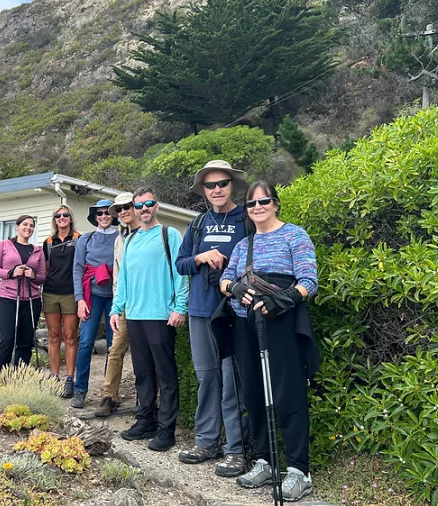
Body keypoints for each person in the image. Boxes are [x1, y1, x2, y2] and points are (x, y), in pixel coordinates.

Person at [220, 181, 319, 502]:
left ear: (276, 203)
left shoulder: (295, 235)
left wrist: (286, 298)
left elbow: (309, 280)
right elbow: (225, 279)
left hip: (281, 322)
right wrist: (232, 289)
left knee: (287, 391)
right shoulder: (243, 245)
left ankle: (298, 470)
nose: (257, 207)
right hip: (245, 324)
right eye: (251, 204)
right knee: (253, 391)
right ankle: (265, 460)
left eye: (263, 201)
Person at [175, 160, 249, 477]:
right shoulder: (198, 223)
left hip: (235, 313)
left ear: (232, 185)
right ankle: (207, 442)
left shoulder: (247, 219)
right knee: (207, 378)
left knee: (233, 382)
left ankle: (237, 449)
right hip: (200, 310)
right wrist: (201, 257)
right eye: (210, 185)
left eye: (222, 184)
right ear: (203, 191)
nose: (216, 190)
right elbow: (181, 264)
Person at [110, 187, 188, 452]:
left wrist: (180, 307)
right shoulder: (129, 240)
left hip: (161, 316)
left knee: (165, 374)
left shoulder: (170, 235)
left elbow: (181, 275)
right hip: (134, 315)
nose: (143, 209)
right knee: (142, 373)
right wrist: (116, 309)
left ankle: (167, 430)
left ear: (157, 205)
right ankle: (145, 420)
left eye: (148, 203)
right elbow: (124, 280)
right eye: (139, 205)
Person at [95, 192, 139, 417]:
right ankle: (109, 395)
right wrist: (116, 305)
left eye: (126, 207)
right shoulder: (120, 238)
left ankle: (148, 397)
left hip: (147, 304)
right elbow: (118, 274)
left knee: (146, 353)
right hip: (124, 304)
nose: (123, 212)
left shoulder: (152, 233)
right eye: (118, 210)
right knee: (115, 350)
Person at [71, 199, 119, 408]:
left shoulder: (122, 238)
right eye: (99, 213)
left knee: (113, 346)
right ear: (95, 217)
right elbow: (78, 269)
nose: (103, 216)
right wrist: (80, 299)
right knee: (85, 342)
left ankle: (110, 394)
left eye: (107, 212)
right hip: (92, 295)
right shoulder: (85, 239)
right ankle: (80, 389)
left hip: (115, 296)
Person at [0, 215, 46, 372]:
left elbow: (42, 277)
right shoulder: (4, 245)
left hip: (31, 300)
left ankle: (20, 378)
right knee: (7, 339)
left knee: (25, 341)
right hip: (7, 298)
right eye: (25, 224)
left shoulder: (38, 251)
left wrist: (33, 276)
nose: (28, 228)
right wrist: (11, 272)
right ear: (17, 227)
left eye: (31, 225)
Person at [42, 205, 81, 398]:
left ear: (70, 218)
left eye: (65, 214)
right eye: (58, 216)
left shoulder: (79, 239)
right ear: (54, 219)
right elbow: (46, 267)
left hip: (71, 293)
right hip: (50, 293)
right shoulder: (48, 242)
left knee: (70, 336)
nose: (62, 218)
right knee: (54, 335)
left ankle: (70, 379)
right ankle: (55, 376)